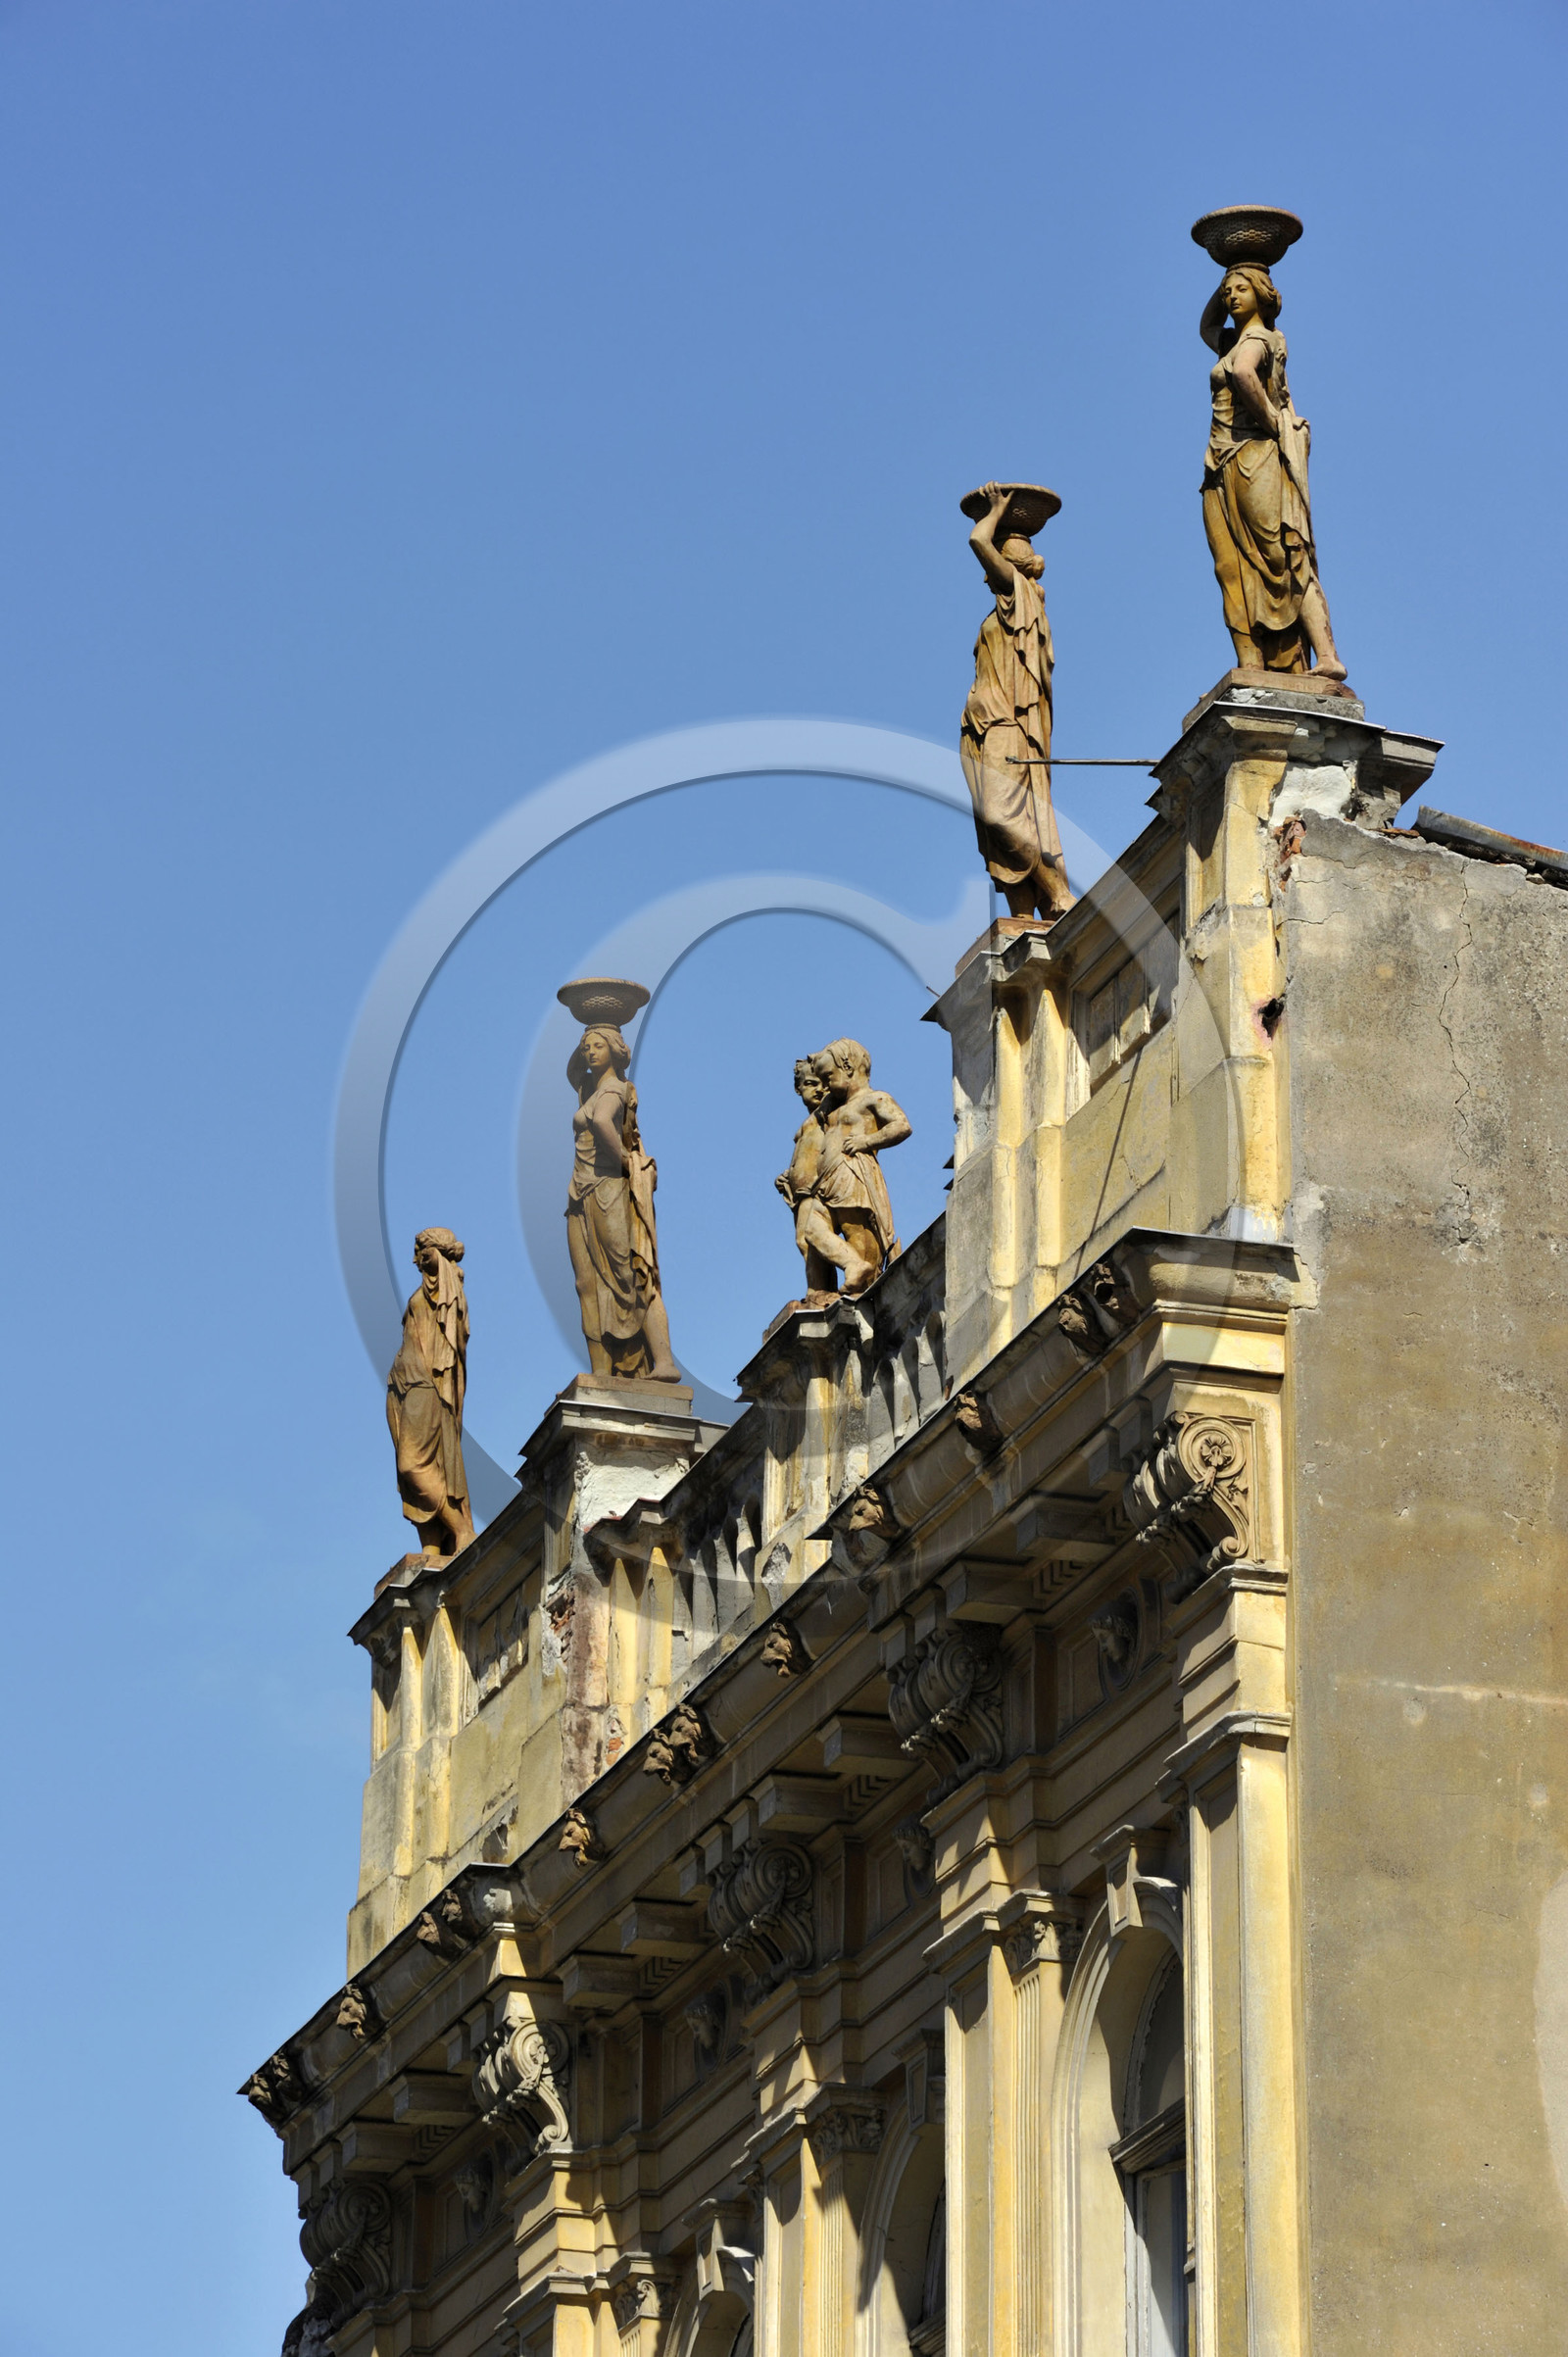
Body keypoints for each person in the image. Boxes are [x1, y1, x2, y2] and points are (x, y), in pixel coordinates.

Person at [1200, 264, 1346, 678]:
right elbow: (1206, 326)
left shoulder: (1259, 340)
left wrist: (1272, 423)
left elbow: (1244, 373)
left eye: (1241, 289)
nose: (1232, 296)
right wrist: (1229, 271)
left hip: (1256, 458)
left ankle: (1328, 657)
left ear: (1262, 294)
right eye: (1228, 292)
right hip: (1222, 465)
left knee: (1284, 555)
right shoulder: (1232, 341)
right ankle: (1251, 661)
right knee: (1231, 565)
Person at [960, 481, 1074, 920]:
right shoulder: (1000, 609)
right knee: (993, 831)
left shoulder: (1019, 597)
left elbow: (977, 540)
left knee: (1003, 815)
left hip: (1005, 725)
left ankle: (1058, 893)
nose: (984, 574)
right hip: (979, 728)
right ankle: (1024, 916)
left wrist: (994, 510)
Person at [565, 1022, 681, 1382]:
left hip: (608, 1190)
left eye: (598, 1046)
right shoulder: (590, 1088)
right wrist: (592, 1027)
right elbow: (572, 1072)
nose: (590, 1052)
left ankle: (664, 1362)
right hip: (580, 1194)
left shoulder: (615, 1089)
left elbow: (602, 1122)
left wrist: (625, 1163)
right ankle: (601, 1370)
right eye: (586, 1047)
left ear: (615, 1051)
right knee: (586, 1283)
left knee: (630, 1274)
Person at [386, 1227, 475, 1561]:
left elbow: (450, 1315)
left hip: (424, 1385)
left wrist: (439, 1255)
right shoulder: (428, 1290)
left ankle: (461, 1529)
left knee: (413, 1463)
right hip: (402, 1385)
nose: (415, 1259)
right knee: (415, 1470)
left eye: (421, 1250)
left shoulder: (445, 1290)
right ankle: (433, 1545)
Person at [809, 1039, 911, 1295]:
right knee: (811, 1228)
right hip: (827, 1180)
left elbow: (901, 1125)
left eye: (828, 1076)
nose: (825, 1086)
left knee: (858, 1236)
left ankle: (864, 1286)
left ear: (848, 1067)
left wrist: (866, 1141)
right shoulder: (835, 1106)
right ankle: (854, 1265)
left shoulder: (873, 1098)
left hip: (853, 1174)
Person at [775, 1056, 858, 1300]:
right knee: (804, 1241)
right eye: (811, 1083)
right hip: (800, 1191)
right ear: (798, 1088)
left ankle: (823, 1288)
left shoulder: (828, 1112)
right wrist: (788, 1176)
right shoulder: (807, 1124)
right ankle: (819, 1290)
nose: (819, 1089)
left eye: (823, 1083)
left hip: (819, 1186)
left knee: (809, 1239)